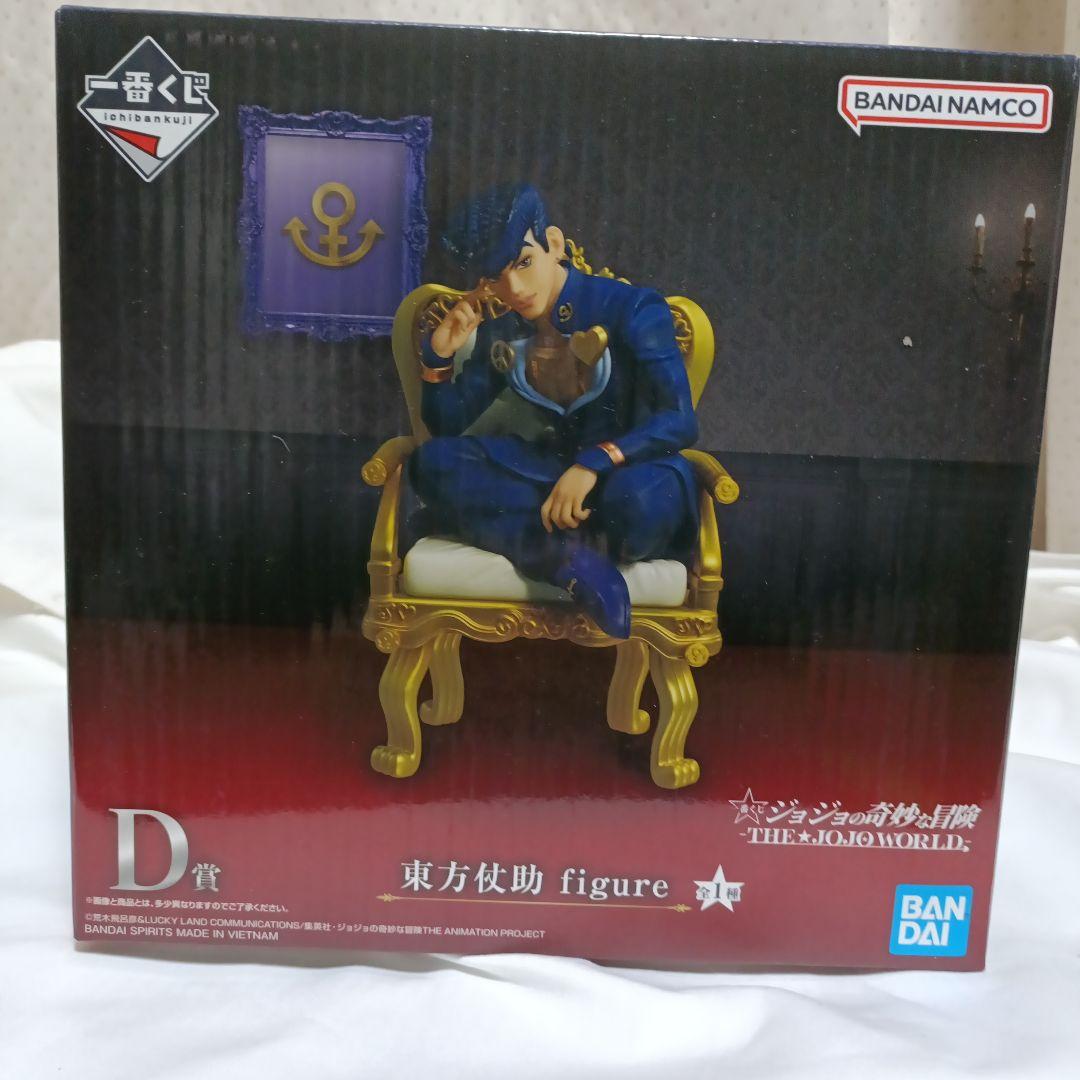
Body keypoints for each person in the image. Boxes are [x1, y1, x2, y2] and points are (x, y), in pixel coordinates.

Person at [407, 184, 699, 639]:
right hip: (549, 477)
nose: (515, 290)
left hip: (632, 472)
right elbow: (447, 426)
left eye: (524, 263)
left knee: (636, 510)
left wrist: (595, 461)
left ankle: (490, 523)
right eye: (496, 278)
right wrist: (439, 357)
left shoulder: (633, 308)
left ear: (555, 244)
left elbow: (680, 420)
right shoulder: (503, 328)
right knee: (430, 462)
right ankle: (566, 558)